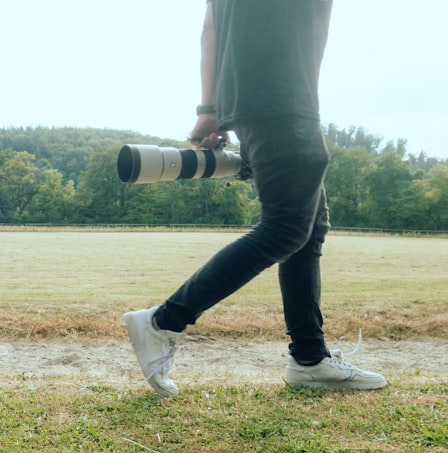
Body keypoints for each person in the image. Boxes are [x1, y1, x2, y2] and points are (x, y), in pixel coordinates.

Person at [124, 0, 387, 398]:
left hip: (253, 99)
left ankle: (308, 359)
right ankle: (164, 321)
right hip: (282, 96)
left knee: (308, 226)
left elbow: (210, 29)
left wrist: (210, 108)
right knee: (286, 227)